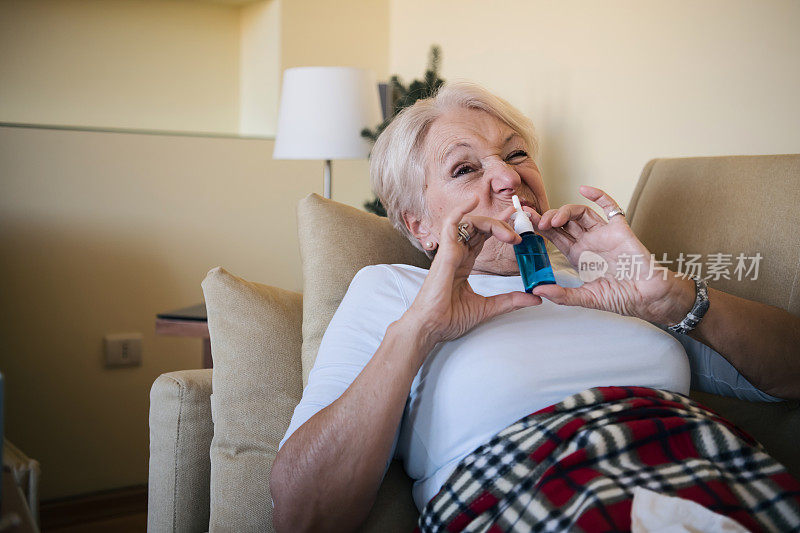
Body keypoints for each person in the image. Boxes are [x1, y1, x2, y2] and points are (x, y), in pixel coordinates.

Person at [269, 82, 800, 532]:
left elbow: (790, 374)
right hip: (528, 496)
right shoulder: (393, 291)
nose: (509, 177)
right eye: (464, 170)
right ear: (420, 225)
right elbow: (303, 513)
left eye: (517, 154)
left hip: (708, 471)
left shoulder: (605, 280)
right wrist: (421, 328)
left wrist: (673, 297)